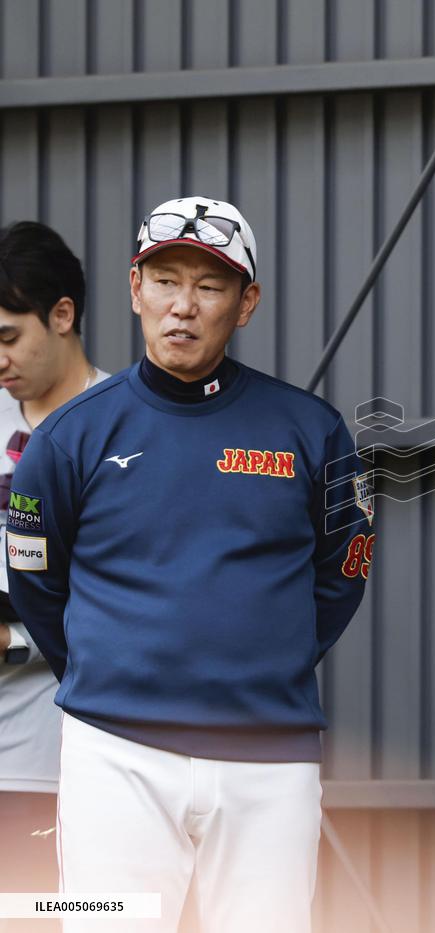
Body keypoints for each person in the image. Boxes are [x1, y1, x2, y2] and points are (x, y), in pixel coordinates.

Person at [7, 197, 374, 933]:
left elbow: (345, 570)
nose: (183, 306)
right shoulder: (70, 436)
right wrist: (110, 669)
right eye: (166, 281)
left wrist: (264, 659)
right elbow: (36, 579)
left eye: (209, 287)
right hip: (114, 754)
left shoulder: (311, 430)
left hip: (270, 757)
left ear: (247, 303)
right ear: (135, 288)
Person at [0, 221, 109, 930]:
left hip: (66, 764)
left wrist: (13, 641)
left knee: (45, 917)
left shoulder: (129, 428)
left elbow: (133, 603)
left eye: (9, 336)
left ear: (62, 315)